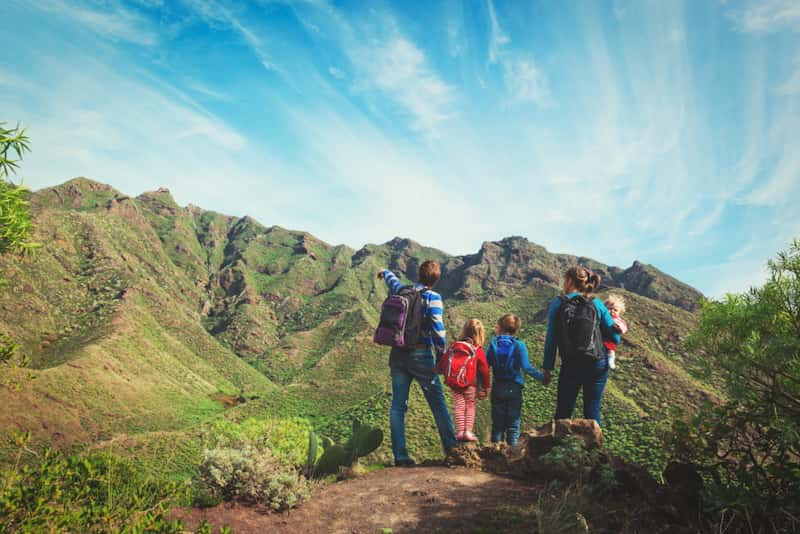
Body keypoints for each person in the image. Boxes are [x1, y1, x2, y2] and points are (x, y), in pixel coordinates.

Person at [378, 261, 456, 466]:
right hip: (421, 354)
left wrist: (385, 272)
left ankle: (401, 457)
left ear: (418, 275)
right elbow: (438, 329)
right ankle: (452, 449)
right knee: (438, 404)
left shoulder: (404, 290)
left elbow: (392, 280)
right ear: (436, 279)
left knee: (397, 406)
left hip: (398, 353)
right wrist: (441, 356)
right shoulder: (433, 297)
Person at [542, 266, 621, 426]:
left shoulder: (558, 303)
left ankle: (558, 447)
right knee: (592, 412)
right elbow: (615, 337)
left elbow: (551, 338)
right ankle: (594, 449)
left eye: (565, 280)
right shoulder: (597, 304)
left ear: (569, 281)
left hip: (571, 365)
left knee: (563, 413)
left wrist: (547, 368)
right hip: (597, 364)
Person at [486, 313, 544, 446]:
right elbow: (527, 368)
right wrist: (542, 377)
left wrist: (481, 385)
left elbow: (485, 366)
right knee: (513, 424)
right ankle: (512, 453)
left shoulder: (493, 344)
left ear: (500, 327)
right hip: (514, 387)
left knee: (497, 424)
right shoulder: (519, 345)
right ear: (516, 329)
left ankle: (495, 454)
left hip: (498, 387)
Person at [439, 319, 490, 442]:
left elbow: (444, 362)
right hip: (469, 384)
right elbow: (484, 370)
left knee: (459, 406)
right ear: (480, 334)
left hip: (454, 384)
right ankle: (468, 431)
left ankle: (460, 431)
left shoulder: (454, 346)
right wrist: (486, 386)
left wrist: (438, 370)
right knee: (470, 406)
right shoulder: (477, 349)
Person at [603, 294, 629, 370]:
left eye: (615, 310)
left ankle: (611, 359)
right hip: (601, 339)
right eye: (610, 308)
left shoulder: (618, 320)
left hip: (610, 340)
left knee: (611, 350)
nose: (612, 311)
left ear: (619, 313)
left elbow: (624, 327)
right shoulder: (603, 317)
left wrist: (619, 328)